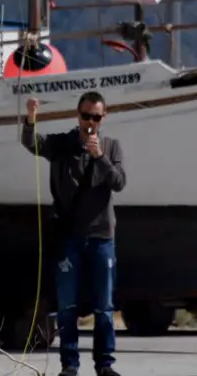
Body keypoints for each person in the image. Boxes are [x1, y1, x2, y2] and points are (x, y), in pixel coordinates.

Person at [21, 91, 126, 376]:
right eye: (86, 116)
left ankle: (105, 364)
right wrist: (30, 118)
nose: (90, 122)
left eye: (96, 117)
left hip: (101, 235)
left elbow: (119, 183)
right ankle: (69, 364)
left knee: (104, 306)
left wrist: (100, 156)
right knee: (67, 304)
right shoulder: (62, 144)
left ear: (103, 118)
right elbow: (32, 143)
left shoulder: (111, 146)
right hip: (69, 234)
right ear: (77, 116)